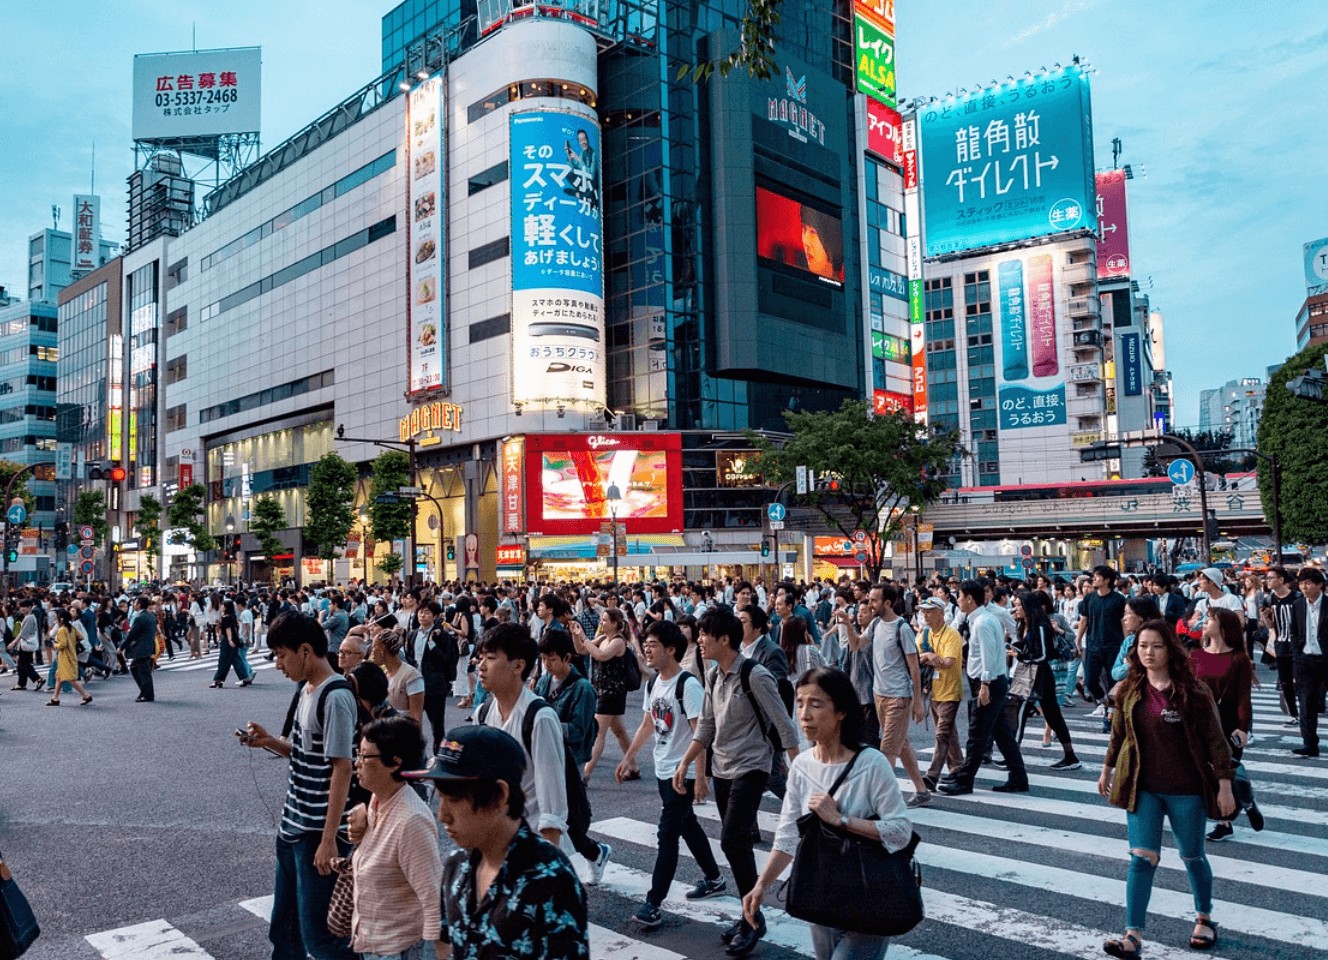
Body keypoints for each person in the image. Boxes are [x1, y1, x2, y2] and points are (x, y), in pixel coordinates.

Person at [742, 667, 912, 960]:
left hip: (868, 896)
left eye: (816, 704)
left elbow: (900, 832)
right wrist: (761, 886)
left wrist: (841, 820)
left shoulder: (871, 763)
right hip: (821, 895)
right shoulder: (802, 765)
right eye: (800, 703)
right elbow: (786, 837)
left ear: (842, 712)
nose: (804, 714)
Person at [1098, 619, 1237, 957]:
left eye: (1156, 646)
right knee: (1141, 859)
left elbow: (1217, 741)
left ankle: (1204, 917)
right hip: (1142, 787)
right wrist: (1107, 769)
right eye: (1143, 646)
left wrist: (1224, 785)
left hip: (1186, 788)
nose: (1148, 652)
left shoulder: (1193, 690)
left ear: (1170, 650)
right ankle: (1132, 934)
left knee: (1192, 855)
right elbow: (1118, 735)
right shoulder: (1130, 689)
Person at [674, 607, 799, 956]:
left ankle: (753, 919)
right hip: (723, 767)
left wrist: (800, 769)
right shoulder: (713, 676)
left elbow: (784, 724)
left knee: (732, 840)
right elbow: (707, 727)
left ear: (723, 639)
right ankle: (749, 914)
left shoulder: (755, 675)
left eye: (703, 635)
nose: (698, 641)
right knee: (736, 843)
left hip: (752, 766)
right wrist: (686, 762)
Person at [405, 725, 590, 960]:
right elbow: (448, 943)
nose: (442, 815)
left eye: (454, 799)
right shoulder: (456, 865)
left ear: (500, 795)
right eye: (440, 798)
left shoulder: (549, 879)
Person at [241, 612, 357, 960]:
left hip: (315, 834)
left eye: (281, 654)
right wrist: (270, 742)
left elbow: (342, 769)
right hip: (292, 827)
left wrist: (327, 840)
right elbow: (309, 754)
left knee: (320, 936)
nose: (278, 664)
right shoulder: (307, 690)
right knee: (285, 929)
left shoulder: (334, 695)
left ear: (305, 650)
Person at [617, 619, 722, 929]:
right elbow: (648, 724)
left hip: (683, 772)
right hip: (664, 769)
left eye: (653, 646)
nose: (647, 650)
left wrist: (700, 777)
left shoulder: (688, 685)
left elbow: (700, 733)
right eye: (645, 645)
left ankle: (653, 903)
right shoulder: (653, 683)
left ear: (672, 649)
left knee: (667, 834)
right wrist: (628, 757)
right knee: (687, 825)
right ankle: (715, 878)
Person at [343, 716, 441, 960]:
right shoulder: (378, 801)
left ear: (394, 763)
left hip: (399, 950)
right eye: (358, 753)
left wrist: (431, 954)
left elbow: (434, 901)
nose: (357, 763)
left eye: (365, 756)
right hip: (374, 944)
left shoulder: (411, 821)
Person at [939, 580, 1027, 795]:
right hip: (989, 681)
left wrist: (985, 685)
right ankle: (1018, 777)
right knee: (1002, 733)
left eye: (959, 596)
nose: (957, 600)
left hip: (988, 682)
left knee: (977, 733)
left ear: (969, 598)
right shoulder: (978, 619)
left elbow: (989, 655)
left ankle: (965, 779)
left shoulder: (983, 622)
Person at [1196, 608, 1264, 840]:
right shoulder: (1195, 656)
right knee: (1210, 770)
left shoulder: (1239, 658)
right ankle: (1244, 801)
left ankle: (1228, 819)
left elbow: (1244, 697)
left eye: (1210, 619)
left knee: (1225, 768)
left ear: (1223, 626)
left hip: (1229, 721)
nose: (1205, 622)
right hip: (1202, 722)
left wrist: (1243, 728)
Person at [1010, 590, 1079, 769]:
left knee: (1024, 712)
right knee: (1050, 715)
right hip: (1032, 673)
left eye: (1018, 605)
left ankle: (1012, 756)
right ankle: (1070, 756)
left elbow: (1043, 655)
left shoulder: (1040, 626)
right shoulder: (1025, 624)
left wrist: (1021, 656)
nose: (1015, 608)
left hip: (1039, 675)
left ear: (1028, 607)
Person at [573, 607, 639, 782]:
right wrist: (575, 633)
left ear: (615, 624)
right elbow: (581, 650)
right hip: (603, 691)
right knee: (619, 731)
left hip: (612, 692)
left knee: (598, 733)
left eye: (604, 620)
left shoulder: (618, 641)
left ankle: (585, 774)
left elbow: (601, 656)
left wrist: (584, 637)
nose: (601, 623)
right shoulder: (603, 638)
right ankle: (633, 766)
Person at [917, 596, 964, 791]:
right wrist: (931, 657)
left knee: (942, 733)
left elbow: (948, 662)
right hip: (933, 691)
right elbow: (918, 659)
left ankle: (932, 775)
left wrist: (930, 657)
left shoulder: (951, 635)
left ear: (940, 613)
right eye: (923, 611)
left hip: (950, 691)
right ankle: (958, 768)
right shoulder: (925, 635)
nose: (924, 615)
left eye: (929, 611)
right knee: (949, 732)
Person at [1289, 567, 1328, 759]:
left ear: (1320, 585)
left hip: (1326, 657)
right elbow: (1294, 632)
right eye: (1301, 583)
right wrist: (1298, 656)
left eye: (1308, 583)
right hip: (1306, 660)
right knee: (1306, 704)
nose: (1303, 587)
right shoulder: (1298, 605)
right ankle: (1309, 743)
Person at [1077, 565, 1127, 710]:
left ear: (1107, 580)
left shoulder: (1118, 599)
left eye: (1097, 576)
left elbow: (1122, 622)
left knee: (1113, 680)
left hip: (1113, 645)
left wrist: (1126, 643)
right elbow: (1084, 620)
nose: (1094, 579)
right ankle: (1105, 702)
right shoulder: (1089, 598)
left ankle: (1112, 712)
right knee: (1090, 680)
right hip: (1092, 645)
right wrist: (1078, 640)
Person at [1264, 566, 1301, 725]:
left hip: (1298, 645)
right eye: (1267, 578)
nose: (1268, 581)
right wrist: (1265, 617)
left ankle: (1307, 712)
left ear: (1281, 580)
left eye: (1271, 578)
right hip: (1280, 645)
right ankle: (1295, 715)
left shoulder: (1297, 597)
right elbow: (1270, 625)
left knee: (1299, 681)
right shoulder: (1269, 599)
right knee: (1285, 683)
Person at [374, 623, 425, 725]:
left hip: (402, 734)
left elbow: (416, 718)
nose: (372, 652)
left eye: (374, 647)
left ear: (382, 649)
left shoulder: (412, 676)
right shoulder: (383, 674)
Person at [46, 608, 92, 707]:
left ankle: (86, 695)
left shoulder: (62, 630)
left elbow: (62, 645)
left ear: (61, 619)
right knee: (59, 676)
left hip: (65, 656)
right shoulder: (71, 628)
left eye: (57, 618)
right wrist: (73, 641)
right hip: (71, 655)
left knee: (71, 679)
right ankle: (55, 698)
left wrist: (54, 645)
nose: (55, 620)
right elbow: (81, 637)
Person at [124, 596, 158, 703]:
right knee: (136, 668)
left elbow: (132, 634)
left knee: (144, 672)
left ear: (139, 604)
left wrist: (122, 647)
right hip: (148, 647)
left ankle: (147, 694)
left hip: (141, 648)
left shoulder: (140, 617)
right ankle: (146, 693)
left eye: (135, 603)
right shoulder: (151, 615)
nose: (134, 604)